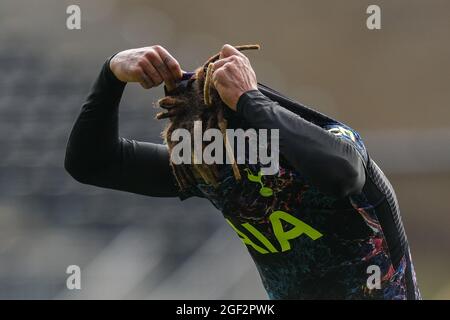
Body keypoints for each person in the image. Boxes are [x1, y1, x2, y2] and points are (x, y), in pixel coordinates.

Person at [65, 44, 420, 299]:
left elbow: (342, 175)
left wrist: (250, 98)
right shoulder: (214, 171)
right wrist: (111, 73)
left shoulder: (328, 144)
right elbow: (91, 163)